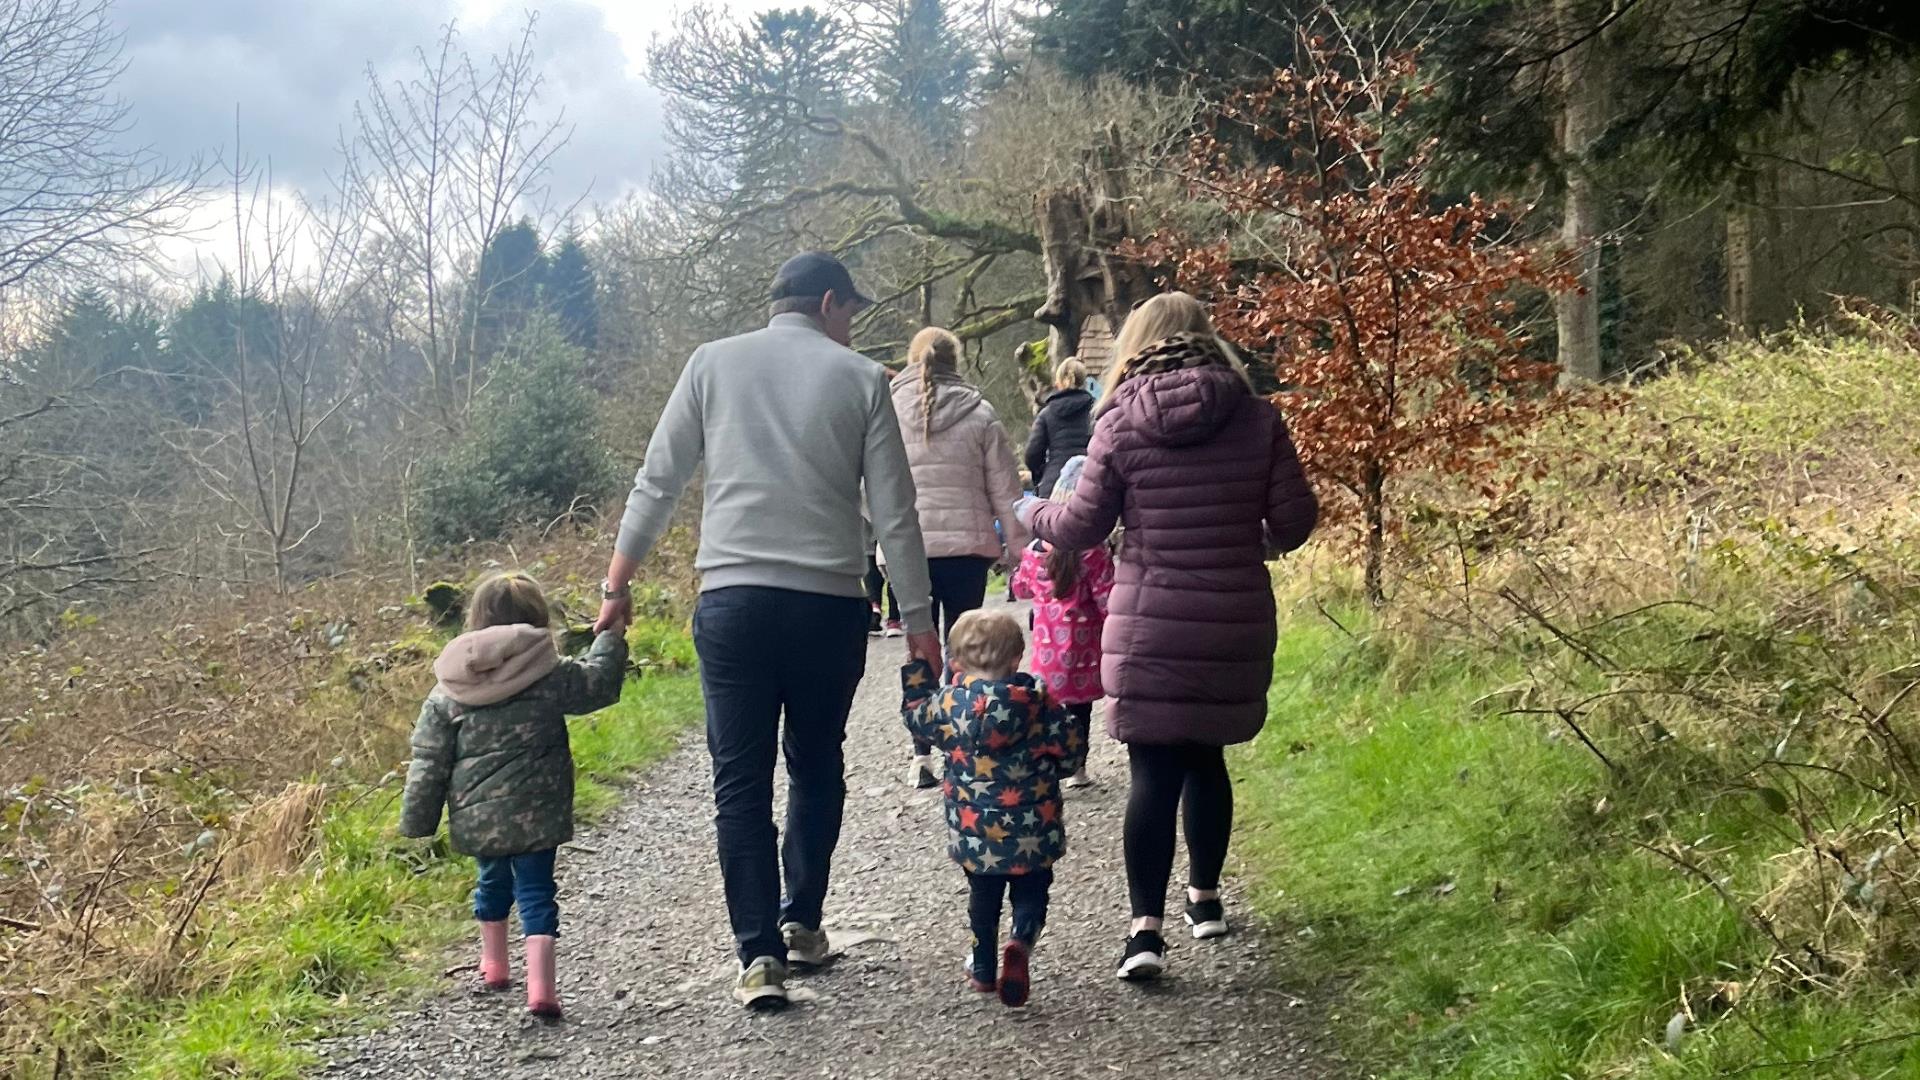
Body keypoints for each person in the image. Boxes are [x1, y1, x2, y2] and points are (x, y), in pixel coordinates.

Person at [594, 251, 940, 1010]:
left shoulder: (710, 364)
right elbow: (895, 515)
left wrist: (616, 586)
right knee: (817, 763)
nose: (851, 326)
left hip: (734, 603)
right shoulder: (860, 381)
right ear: (826, 303)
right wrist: (919, 622)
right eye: (850, 311)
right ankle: (804, 922)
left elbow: (658, 479)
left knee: (739, 781)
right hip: (827, 605)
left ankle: (757, 957)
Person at [1015, 292, 1318, 982]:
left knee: (1153, 771)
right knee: (1206, 757)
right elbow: (1296, 521)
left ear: (1136, 343)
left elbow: (1082, 527)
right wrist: (1249, 545)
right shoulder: (1257, 416)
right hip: (1232, 613)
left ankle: (1143, 933)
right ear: (1209, 339)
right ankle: (1206, 901)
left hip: (1149, 616)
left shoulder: (1120, 420)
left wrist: (1029, 508)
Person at [399, 572, 628, 1020]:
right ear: (537, 619)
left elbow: (429, 760)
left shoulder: (449, 687)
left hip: (480, 818)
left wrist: (418, 822)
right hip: (538, 813)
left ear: (476, 619)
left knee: (491, 882)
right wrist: (612, 637)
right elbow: (598, 684)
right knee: (538, 892)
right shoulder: (548, 675)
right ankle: (542, 990)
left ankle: (494, 967)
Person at [900, 609, 1078, 1008]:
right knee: (1033, 891)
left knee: (982, 900)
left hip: (976, 833)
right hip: (1033, 828)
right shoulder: (1039, 703)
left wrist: (915, 672)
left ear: (955, 663)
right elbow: (1069, 754)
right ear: (1017, 658)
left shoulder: (947, 705)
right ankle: (1020, 940)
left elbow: (915, 718)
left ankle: (982, 968)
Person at [890, 325, 1028, 788]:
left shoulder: (888, 409)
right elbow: (1005, 488)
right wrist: (1016, 547)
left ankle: (921, 753)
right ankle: (964, 739)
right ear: (957, 360)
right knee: (964, 646)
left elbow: (871, 482)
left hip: (907, 548)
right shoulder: (981, 412)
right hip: (967, 548)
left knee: (917, 646)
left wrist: (874, 542)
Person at [1011, 455, 1113, 789]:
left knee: (1049, 710)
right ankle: (1078, 767)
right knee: (1079, 710)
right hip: (1083, 650)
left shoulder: (1036, 550)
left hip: (1047, 652)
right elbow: (1106, 599)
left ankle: (1050, 762)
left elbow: (1021, 588)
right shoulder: (1093, 551)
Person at [1024, 357, 1095, 499]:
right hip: (1090, 483)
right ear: (1084, 382)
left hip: (1053, 485)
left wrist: (1042, 473)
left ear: (1059, 382)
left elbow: (1032, 454)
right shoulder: (1096, 410)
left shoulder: (1046, 414)